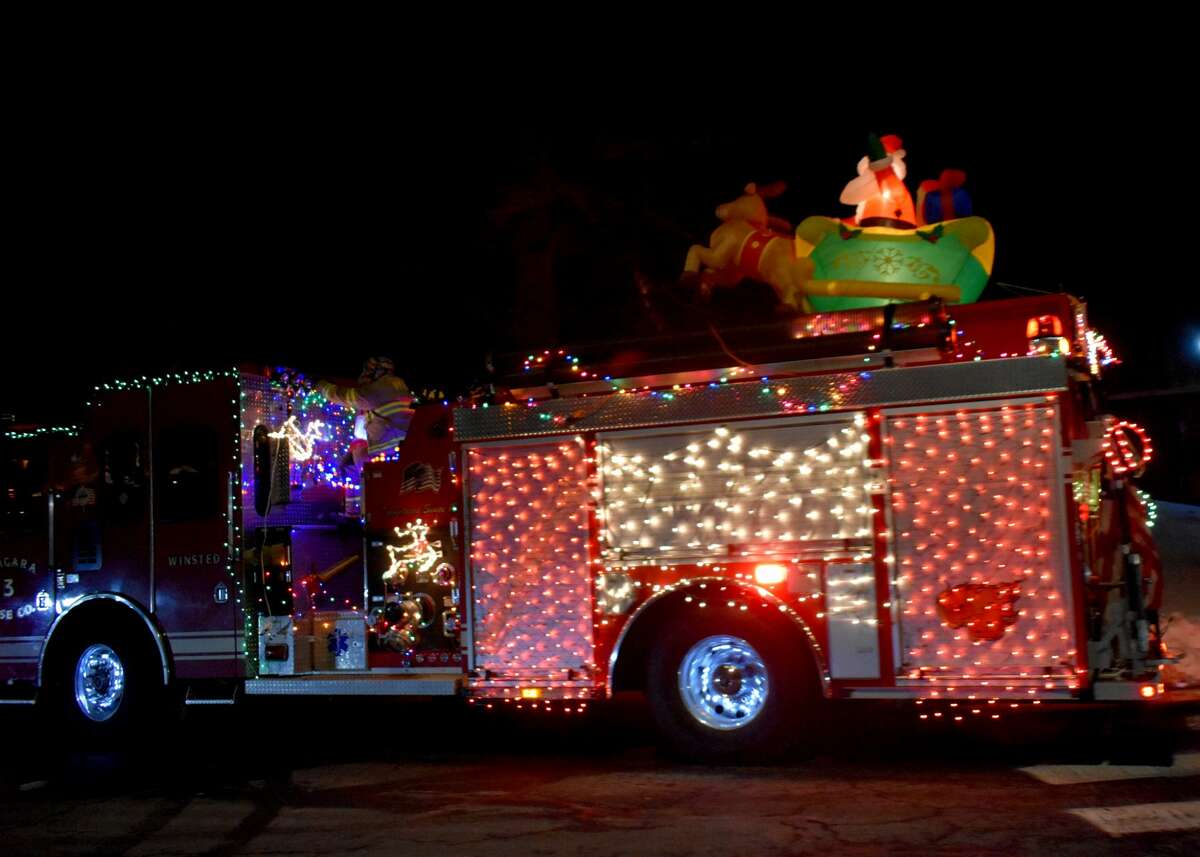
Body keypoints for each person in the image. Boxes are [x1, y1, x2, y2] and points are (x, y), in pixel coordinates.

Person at [315, 357, 414, 480]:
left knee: (364, 471)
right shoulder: (397, 385)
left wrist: (323, 386)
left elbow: (349, 396)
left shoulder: (382, 387)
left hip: (387, 451)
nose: (364, 377)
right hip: (398, 450)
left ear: (378, 372)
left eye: (367, 373)